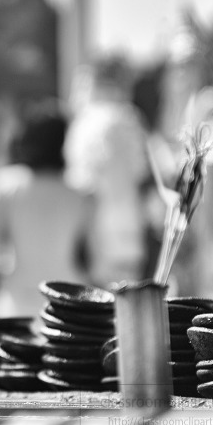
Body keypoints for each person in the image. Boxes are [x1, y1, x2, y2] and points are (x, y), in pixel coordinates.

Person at [0, 104, 87, 316]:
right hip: (67, 310)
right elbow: (97, 262)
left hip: (14, 310)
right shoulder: (82, 195)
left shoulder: (2, 186)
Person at [63, 57, 151, 287]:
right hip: (130, 232)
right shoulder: (131, 119)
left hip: (99, 236)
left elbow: (82, 186)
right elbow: (142, 174)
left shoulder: (87, 124)